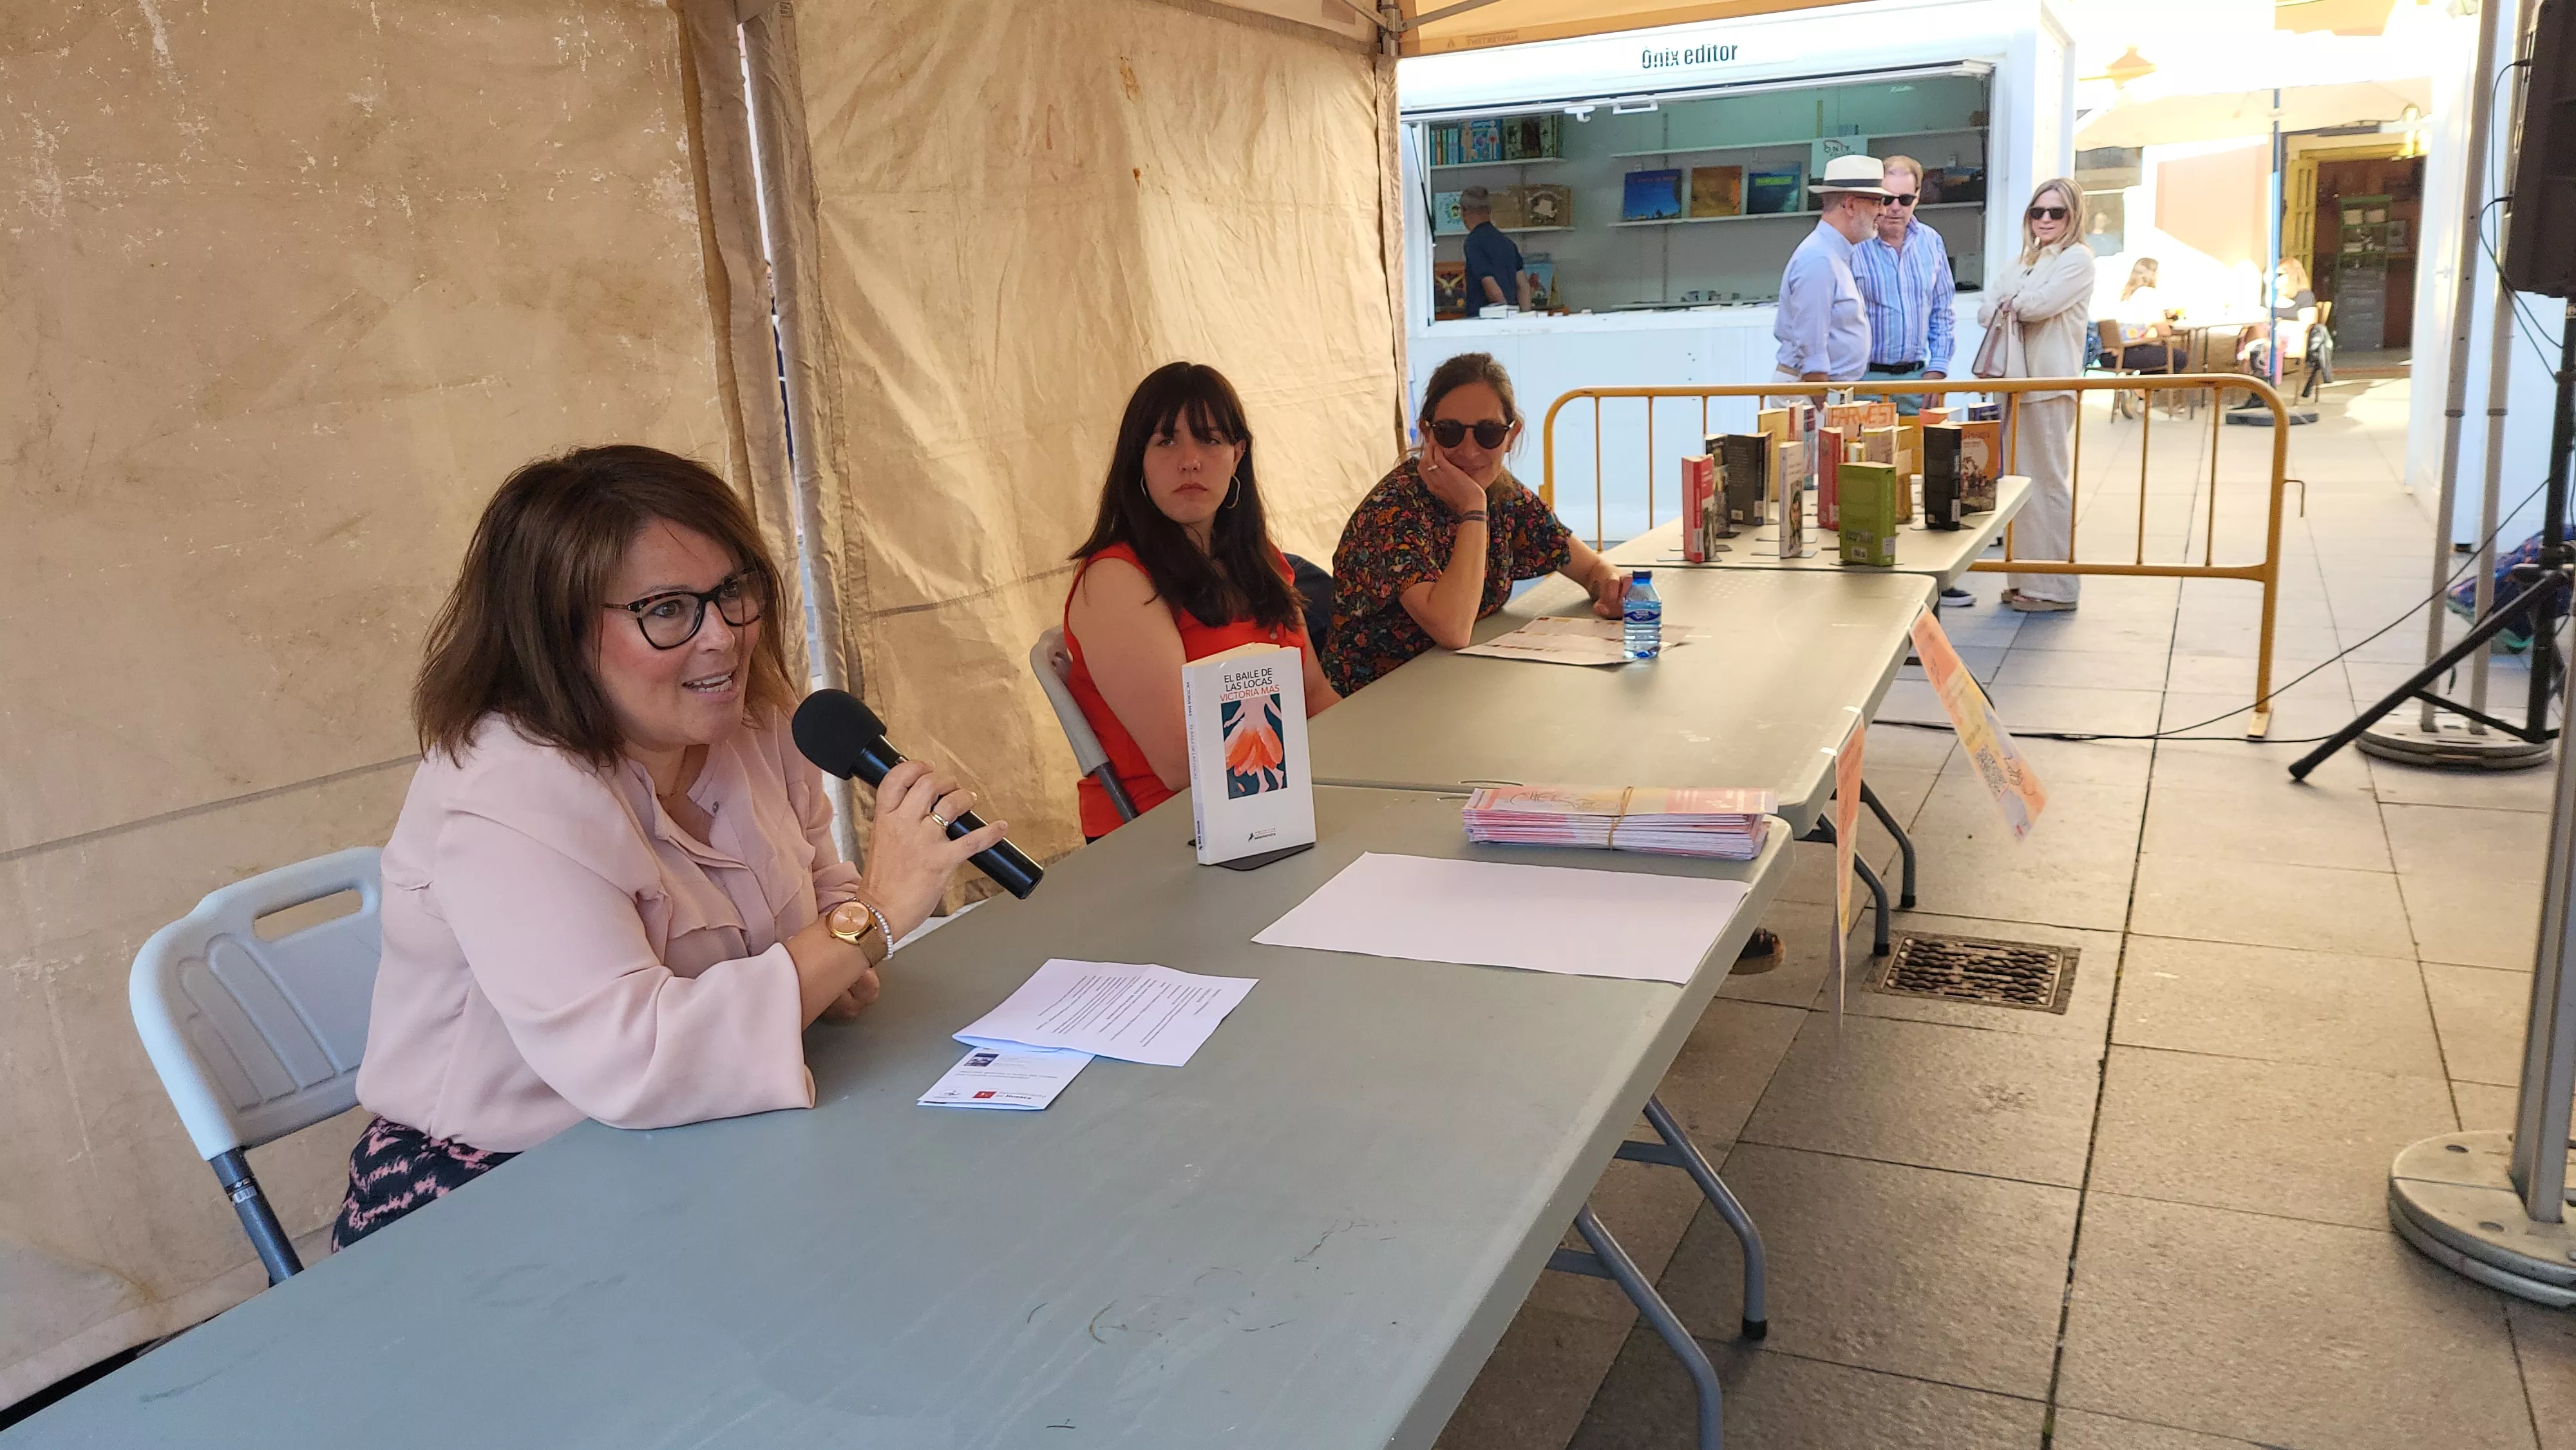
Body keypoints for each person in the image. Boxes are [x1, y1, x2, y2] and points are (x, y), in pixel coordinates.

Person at [337, 446, 1003, 1248]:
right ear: (558, 634)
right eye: (666, 609)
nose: (723, 637)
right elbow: (632, 1060)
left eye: (733, 592)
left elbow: (822, 883)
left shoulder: (754, 722)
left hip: (706, 1139)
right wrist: (873, 921)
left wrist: (838, 957)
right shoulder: (505, 794)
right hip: (496, 1187)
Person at [1062, 362, 1340, 840]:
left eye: (1209, 439)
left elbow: (1314, 695)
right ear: (1138, 461)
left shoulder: (1260, 560)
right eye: (1166, 441)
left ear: (1238, 454)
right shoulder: (1115, 579)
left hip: (1275, 802)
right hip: (1168, 833)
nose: (1189, 460)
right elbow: (1181, 762)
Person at [1325, 352, 1626, 694]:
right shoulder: (1392, 509)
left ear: (1511, 437)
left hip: (1457, 688)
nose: (1469, 452)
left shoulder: (1505, 495)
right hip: (1374, 703)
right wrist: (1473, 508)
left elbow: (1590, 569)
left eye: (1488, 433)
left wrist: (1612, 590)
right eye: (1450, 432)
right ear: (1427, 433)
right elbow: (1452, 630)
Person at [1976, 177, 2098, 614]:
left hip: (2046, 385)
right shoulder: (2023, 261)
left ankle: (2055, 587)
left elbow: (2035, 306)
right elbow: (1986, 307)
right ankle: (2027, 579)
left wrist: (2012, 303)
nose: (2045, 220)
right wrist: (2013, 302)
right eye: (2038, 212)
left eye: (2056, 212)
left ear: (2073, 217)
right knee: (2019, 484)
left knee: (2046, 482)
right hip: (2013, 383)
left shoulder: (2078, 259)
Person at [1853, 153, 1969, 606]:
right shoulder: (1855, 244)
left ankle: (1933, 579)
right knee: (1873, 482)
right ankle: (1875, 574)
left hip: (1919, 377)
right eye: (1887, 198)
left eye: (1905, 198)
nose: (1895, 207)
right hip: (1866, 381)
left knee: (1926, 483)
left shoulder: (1931, 242)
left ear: (1919, 196)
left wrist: (1938, 369)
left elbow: (1943, 310)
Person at [1772, 154, 1891, 385]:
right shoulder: (1820, 258)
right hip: (1812, 391)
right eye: (1877, 201)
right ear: (1850, 205)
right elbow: (1811, 343)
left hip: (1822, 389)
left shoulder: (1833, 254)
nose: (1883, 211)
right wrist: (1821, 398)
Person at [1460, 187, 1530, 315]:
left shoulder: (1474, 242)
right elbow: (1523, 286)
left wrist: (1504, 314)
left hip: (1485, 320)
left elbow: (1490, 284)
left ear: (1464, 211)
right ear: (1489, 210)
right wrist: (1524, 318)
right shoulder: (1507, 242)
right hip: (1511, 317)